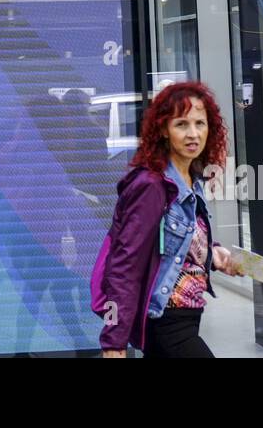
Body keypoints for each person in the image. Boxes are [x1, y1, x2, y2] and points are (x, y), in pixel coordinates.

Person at [96, 81, 243, 358]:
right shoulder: (152, 185)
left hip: (187, 317)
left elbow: (173, 248)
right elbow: (124, 265)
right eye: (181, 124)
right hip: (166, 322)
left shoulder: (191, 180)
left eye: (200, 123)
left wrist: (214, 255)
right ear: (163, 130)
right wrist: (113, 340)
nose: (193, 134)